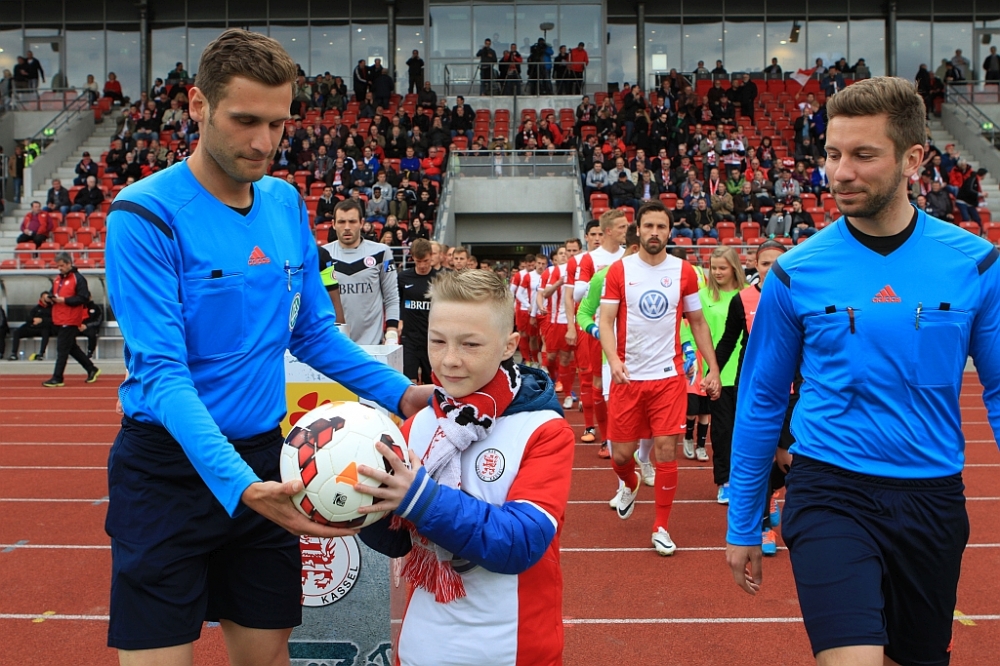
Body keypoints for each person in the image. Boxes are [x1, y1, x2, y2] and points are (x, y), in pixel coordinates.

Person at [104, 30, 433, 664]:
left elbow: (311, 332)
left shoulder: (284, 202)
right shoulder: (143, 216)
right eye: (245, 120)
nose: (263, 142)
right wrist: (239, 485)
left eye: (278, 124)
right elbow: (163, 375)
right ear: (197, 105)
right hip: (167, 473)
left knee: (267, 658)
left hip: (266, 460)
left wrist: (403, 393)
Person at [726, 76, 1000, 666]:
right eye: (832, 154)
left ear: (912, 159)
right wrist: (744, 522)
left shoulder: (975, 264)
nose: (840, 172)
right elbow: (762, 398)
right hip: (829, 488)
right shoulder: (795, 272)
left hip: (932, 497)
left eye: (862, 155)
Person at [356, 269, 574, 665]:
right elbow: (397, 541)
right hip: (422, 647)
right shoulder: (417, 424)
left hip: (513, 650)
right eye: (437, 341)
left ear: (509, 345)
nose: (450, 360)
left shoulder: (544, 430)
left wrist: (421, 500)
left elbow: (521, 542)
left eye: (470, 344)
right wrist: (357, 503)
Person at [600, 201, 721, 555]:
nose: (655, 233)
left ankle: (661, 527)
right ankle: (630, 481)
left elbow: (697, 322)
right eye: (649, 226)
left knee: (667, 451)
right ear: (638, 230)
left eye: (661, 227)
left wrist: (712, 368)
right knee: (622, 456)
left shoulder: (684, 272)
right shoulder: (619, 271)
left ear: (670, 231)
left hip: (668, 378)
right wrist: (613, 359)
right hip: (628, 378)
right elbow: (606, 321)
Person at [714, 240, 792, 556]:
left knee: (789, 461)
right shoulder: (742, 299)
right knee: (758, 457)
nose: (770, 269)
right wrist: (713, 371)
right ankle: (763, 527)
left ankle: (771, 492)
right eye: (764, 263)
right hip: (754, 390)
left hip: (792, 390)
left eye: (777, 263)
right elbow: (728, 341)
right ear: (755, 266)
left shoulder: (799, 296)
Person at [574, 210, 629, 455]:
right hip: (601, 330)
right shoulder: (590, 259)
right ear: (609, 231)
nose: (626, 231)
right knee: (599, 382)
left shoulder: (629, 254)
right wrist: (600, 281)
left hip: (629, 329)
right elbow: (578, 295)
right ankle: (606, 437)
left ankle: (628, 437)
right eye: (621, 227)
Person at [698, 246, 747, 503]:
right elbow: (692, 329)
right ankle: (725, 481)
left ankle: (746, 479)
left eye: (722, 268)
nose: (717, 272)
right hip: (718, 374)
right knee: (722, 431)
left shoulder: (748, 294)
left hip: (747, 372)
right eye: (713, 268)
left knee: (747, 431)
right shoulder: (702, 295)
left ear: (734, 268)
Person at [324, 198, 401, 345]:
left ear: (361, 223)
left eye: (352, 221)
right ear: (333, 224)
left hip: (372, 345)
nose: (347, 227)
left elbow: (391, 296)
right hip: (334, 345)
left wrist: (392, 332)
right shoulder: (322, 255)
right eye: (341, 222)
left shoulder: (381, 253)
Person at [41, 253, 100, 387]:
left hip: (70, 318)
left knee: (62, 349)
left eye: (62, 265)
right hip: (59, 317)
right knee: (71, 347)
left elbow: (83, 297)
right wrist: (48, 297)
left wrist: (65, 300)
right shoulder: (58, 279)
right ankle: (91, 368)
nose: (60, 268)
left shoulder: (78, 278)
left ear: (69, 264)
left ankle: (58, 377)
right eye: (58, 266)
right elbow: (53, 293)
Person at [397, 239, 437, 383]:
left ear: (431, 255)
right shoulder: (403, 278)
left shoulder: (440, 278)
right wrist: (399, 321)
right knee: (409, 382)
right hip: (409, 339)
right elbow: (396, 301)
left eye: (426, 261)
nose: (422, 265)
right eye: (418, 261)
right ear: (412, 257)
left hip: (432, 339)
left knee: (431, 382)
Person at [8, 291, 52, 361]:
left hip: (43, 328)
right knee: (17, 332)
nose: (46, 299)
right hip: (32, 327)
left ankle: (41, 354)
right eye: (44, 298)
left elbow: (53, 320)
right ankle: (14, 353)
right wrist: (33, 319)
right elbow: (28, 318)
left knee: (46, 332)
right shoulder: (36, 308)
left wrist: (42, 320)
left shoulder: (52, 309)